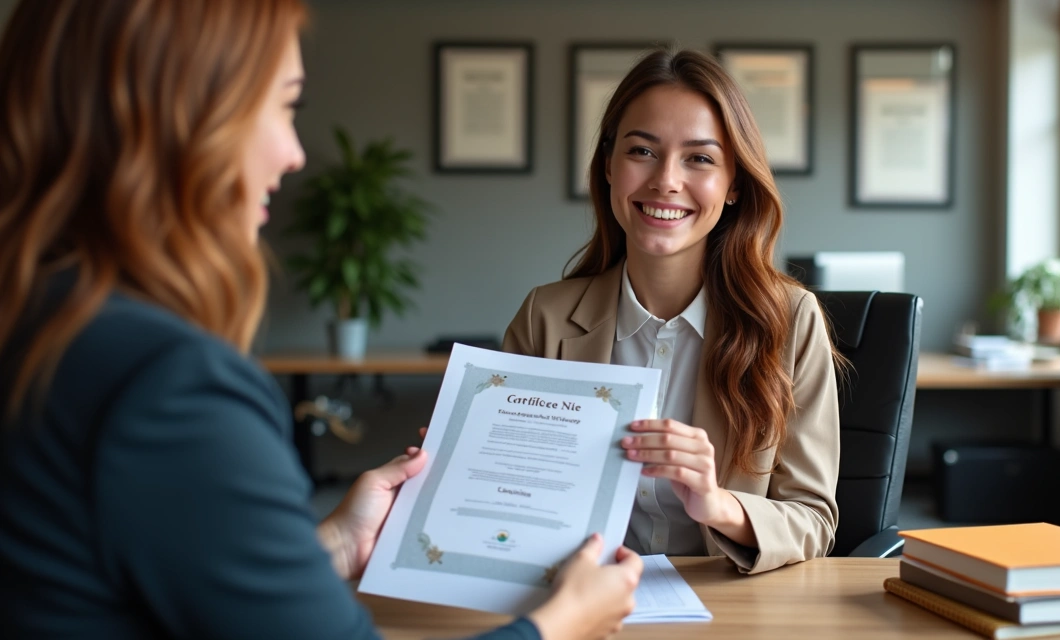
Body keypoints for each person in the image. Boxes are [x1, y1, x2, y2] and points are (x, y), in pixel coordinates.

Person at [0, 1, 640, 639]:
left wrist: (334, 541)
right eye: (283, 106)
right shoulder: (171, 383)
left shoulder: (39, 317)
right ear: (181, 119)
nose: (294, 153)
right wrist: (561, 623)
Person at [502, 49, 842, 575]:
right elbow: (512, 497)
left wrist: (718, 503)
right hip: (577, 597)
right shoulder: (544, 317)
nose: (666, 180)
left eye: (700, 158)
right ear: (609, 167)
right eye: (642, 150)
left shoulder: (792, 320)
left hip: (729, 608)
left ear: (733, 185)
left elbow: (813, 520)